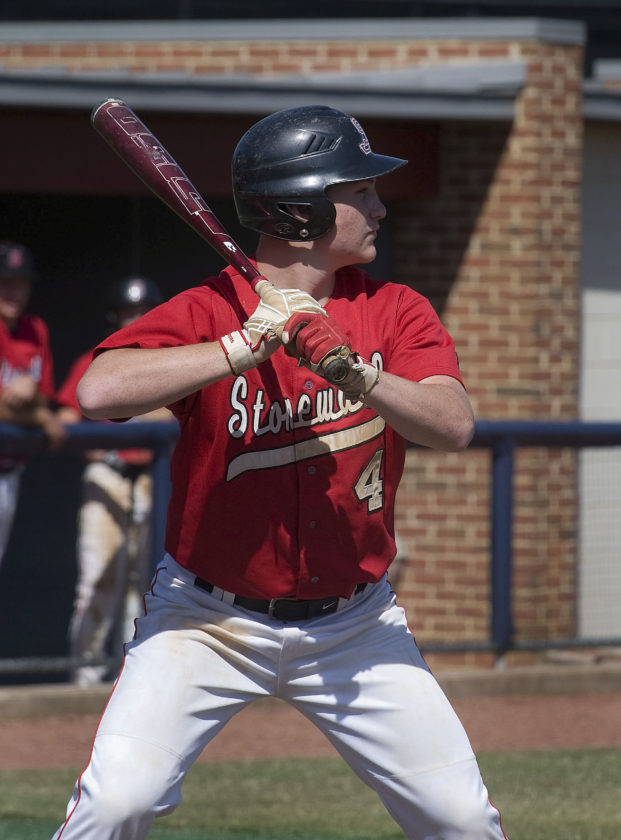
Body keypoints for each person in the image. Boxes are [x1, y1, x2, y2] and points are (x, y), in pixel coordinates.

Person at [53, 106, 507, 839]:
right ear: (300, 209)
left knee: (460, 817)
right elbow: (98, 391)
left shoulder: (394, 310)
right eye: (360, 192)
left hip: (357, 625)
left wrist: (354, 373)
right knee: (118, 802)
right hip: (207, 620)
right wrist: (239, 347)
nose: (379, 208)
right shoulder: (210, 309)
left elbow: (451, 425)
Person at [56, 275, 173, 687]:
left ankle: (131, 679)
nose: (135, 318)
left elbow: (179, 416)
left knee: (145, 587)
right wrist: (108, 444)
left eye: (143, 311)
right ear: (115, 316)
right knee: (97, 583)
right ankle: (85, 679)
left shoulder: (170, 362)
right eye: (128, 311)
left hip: (154, 480)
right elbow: (66, 420)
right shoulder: (97, 360)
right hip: (108, 476)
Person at [0, 240, 65, 566]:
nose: (14, 292)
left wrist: (31, 395)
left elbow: (45, 394)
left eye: (21, 283)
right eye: (5, 282)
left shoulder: (35, 329)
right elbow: (44, 411)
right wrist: (40, 416)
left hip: (10, 470)